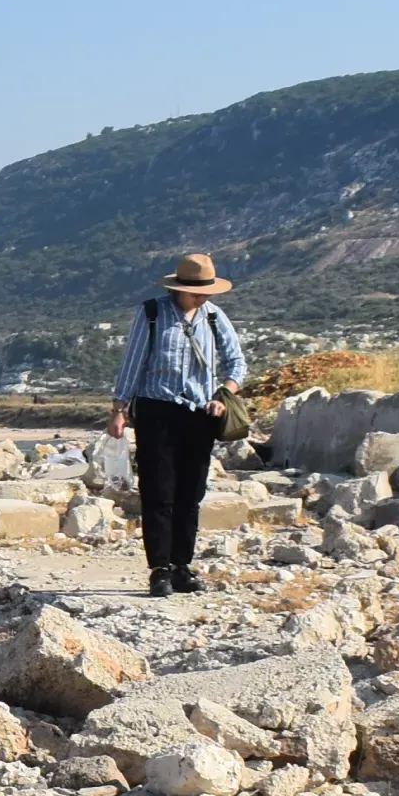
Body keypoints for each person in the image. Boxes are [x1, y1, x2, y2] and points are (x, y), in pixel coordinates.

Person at [106, 254, 249, 597]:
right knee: (158, 491)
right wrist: (118, 409)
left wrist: (222, 393)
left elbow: (237, 363)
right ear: (178, 289)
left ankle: (182, 566)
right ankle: (159, 570)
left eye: (206, 291)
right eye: (196, 291)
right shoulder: (152, 314)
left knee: (191, 492)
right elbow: (133, 363)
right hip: (158, 411)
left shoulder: (215, 317)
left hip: (202, 414)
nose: (202, 297)